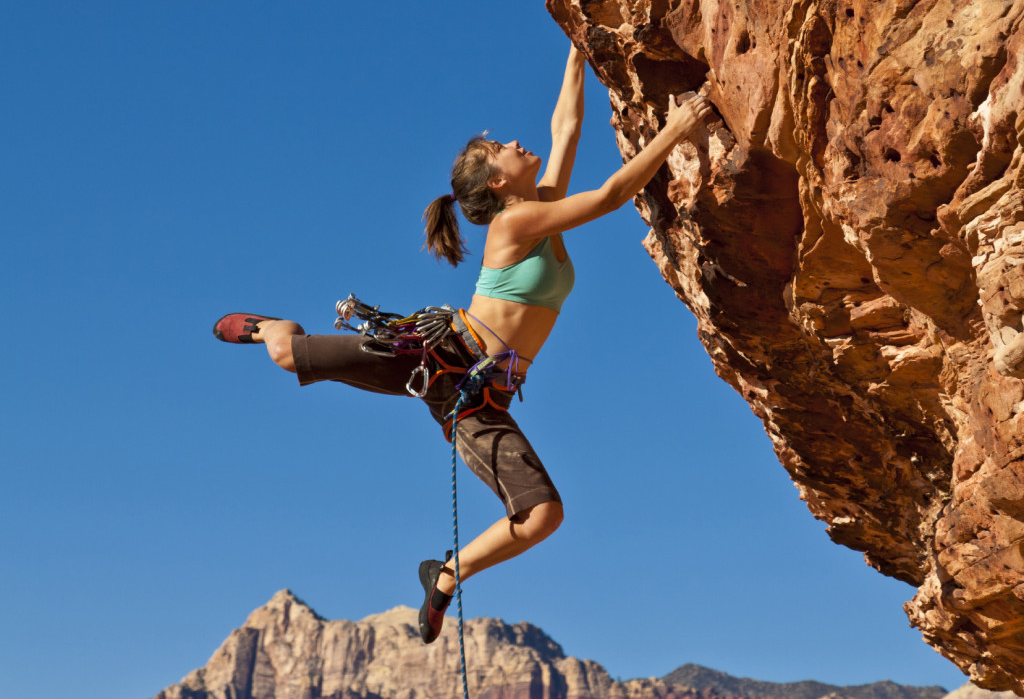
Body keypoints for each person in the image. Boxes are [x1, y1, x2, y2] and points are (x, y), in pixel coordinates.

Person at [212, 45, 711, 644]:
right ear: (498, 181)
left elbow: (567, 127)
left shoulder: (541, 206)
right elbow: (608, 197)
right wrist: (678, 130)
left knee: (542, 515)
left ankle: (445, 576)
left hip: (477, 394)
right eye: (501, 147)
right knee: (287, 353)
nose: (517, 143)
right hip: (435, 356)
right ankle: (270, 324)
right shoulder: (512, 224)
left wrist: (579, 51)